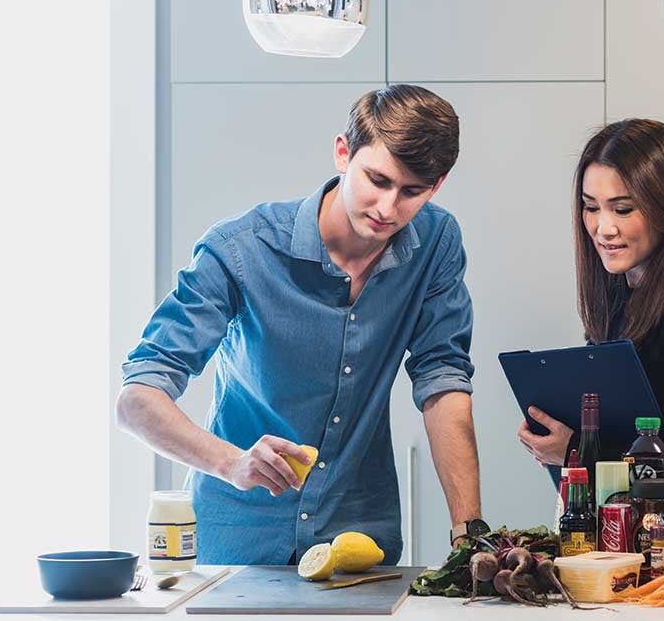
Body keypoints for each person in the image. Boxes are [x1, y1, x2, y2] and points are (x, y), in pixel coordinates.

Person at [116, 84, 489, 565]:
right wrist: (232, 462)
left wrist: (469, 534)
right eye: (377, 180)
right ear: (342, 153)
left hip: (359, 542)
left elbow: (443, 381)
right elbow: (136, 400)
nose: (387, 209)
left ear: (436, 186)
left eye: (412, 192)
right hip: (236, 542)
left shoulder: (436, 241)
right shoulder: (241, 250)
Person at [517, 118, 664, 498]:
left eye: (622, 209)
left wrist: (576, 452)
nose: (603, 228)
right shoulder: (618, 297)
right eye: (591, 207)